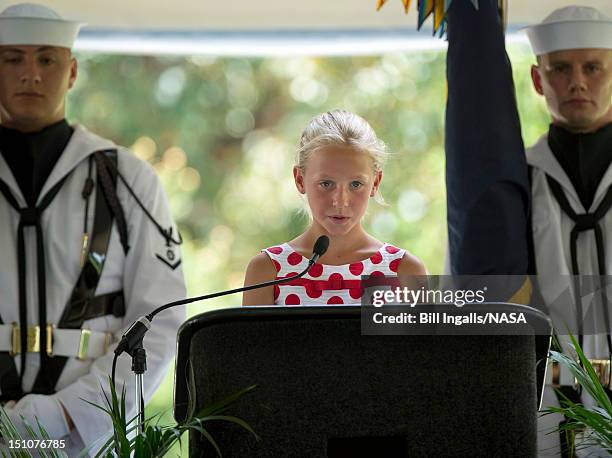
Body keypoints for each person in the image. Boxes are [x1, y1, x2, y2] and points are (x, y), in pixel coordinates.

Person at [0, 3, 185, 455]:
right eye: (12, 59)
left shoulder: (128, 179)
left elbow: (160, 318)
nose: (31, 74)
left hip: (89, 434)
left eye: (47, 59)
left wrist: (71, 414)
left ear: (73, 71)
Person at [444, 1, 612, 456]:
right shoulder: (510, 186)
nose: (577, 81)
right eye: (560, 68)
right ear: (538, 80)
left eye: (593, 67)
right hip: (542, 399)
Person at [242, 109, 426, 306]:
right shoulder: (268, 270)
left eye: (356, 184)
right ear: (299, 180)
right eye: (326, 184)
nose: (340, 201)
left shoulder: (405, 271)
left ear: (375, 183)